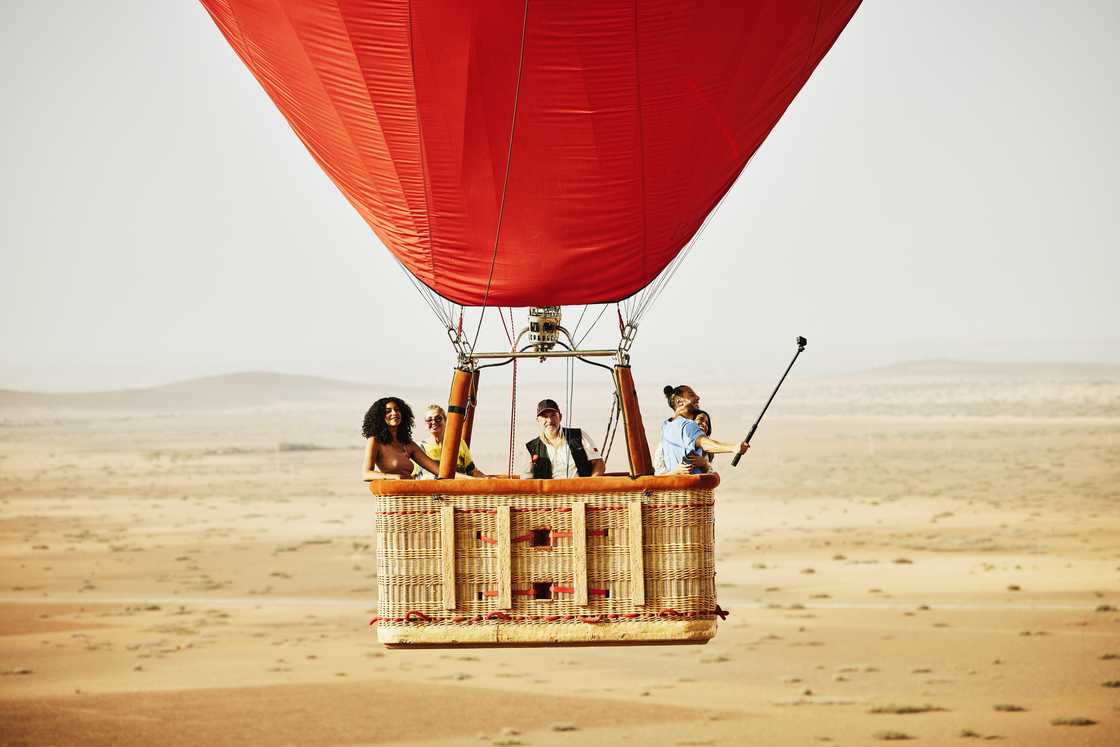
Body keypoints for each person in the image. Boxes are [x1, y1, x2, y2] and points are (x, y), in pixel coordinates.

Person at [659, 385, 747, 474]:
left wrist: (704, 464)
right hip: (691, 482)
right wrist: (733, 448)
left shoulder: (665, 426)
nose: (698, 397)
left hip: (675, 482)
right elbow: (704, 443)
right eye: (691, 395)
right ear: (680, 402)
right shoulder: (689, 425)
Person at [520, 398, 606, 479]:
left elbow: (599, 463)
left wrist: (589, 485)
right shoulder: (531, 448)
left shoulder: (579, 435)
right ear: (538, 420)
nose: (549, 420)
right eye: (544, 416)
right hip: (550, 490)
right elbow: (526, 478)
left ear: (560, 417)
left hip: (580, 489)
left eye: (553, 415)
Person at [362, 397, 440, 480]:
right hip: (392, 487)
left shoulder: (408, 444)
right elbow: (366, 474)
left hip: (410, 487)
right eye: (388, 411)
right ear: (380, 417)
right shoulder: (375, 441)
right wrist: (394, 477)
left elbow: (436, 469)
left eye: (397, 410)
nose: (394, 413)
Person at [417, 404, 485, 478]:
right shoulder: (420, 447)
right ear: (425, 424)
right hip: (430, 485)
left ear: (446, 421)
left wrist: (486, 479)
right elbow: (413, 475)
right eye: (429, 420)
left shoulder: (459, 443)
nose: (434, 422)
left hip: (459, 484)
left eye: (438, 418)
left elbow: (472, 470)